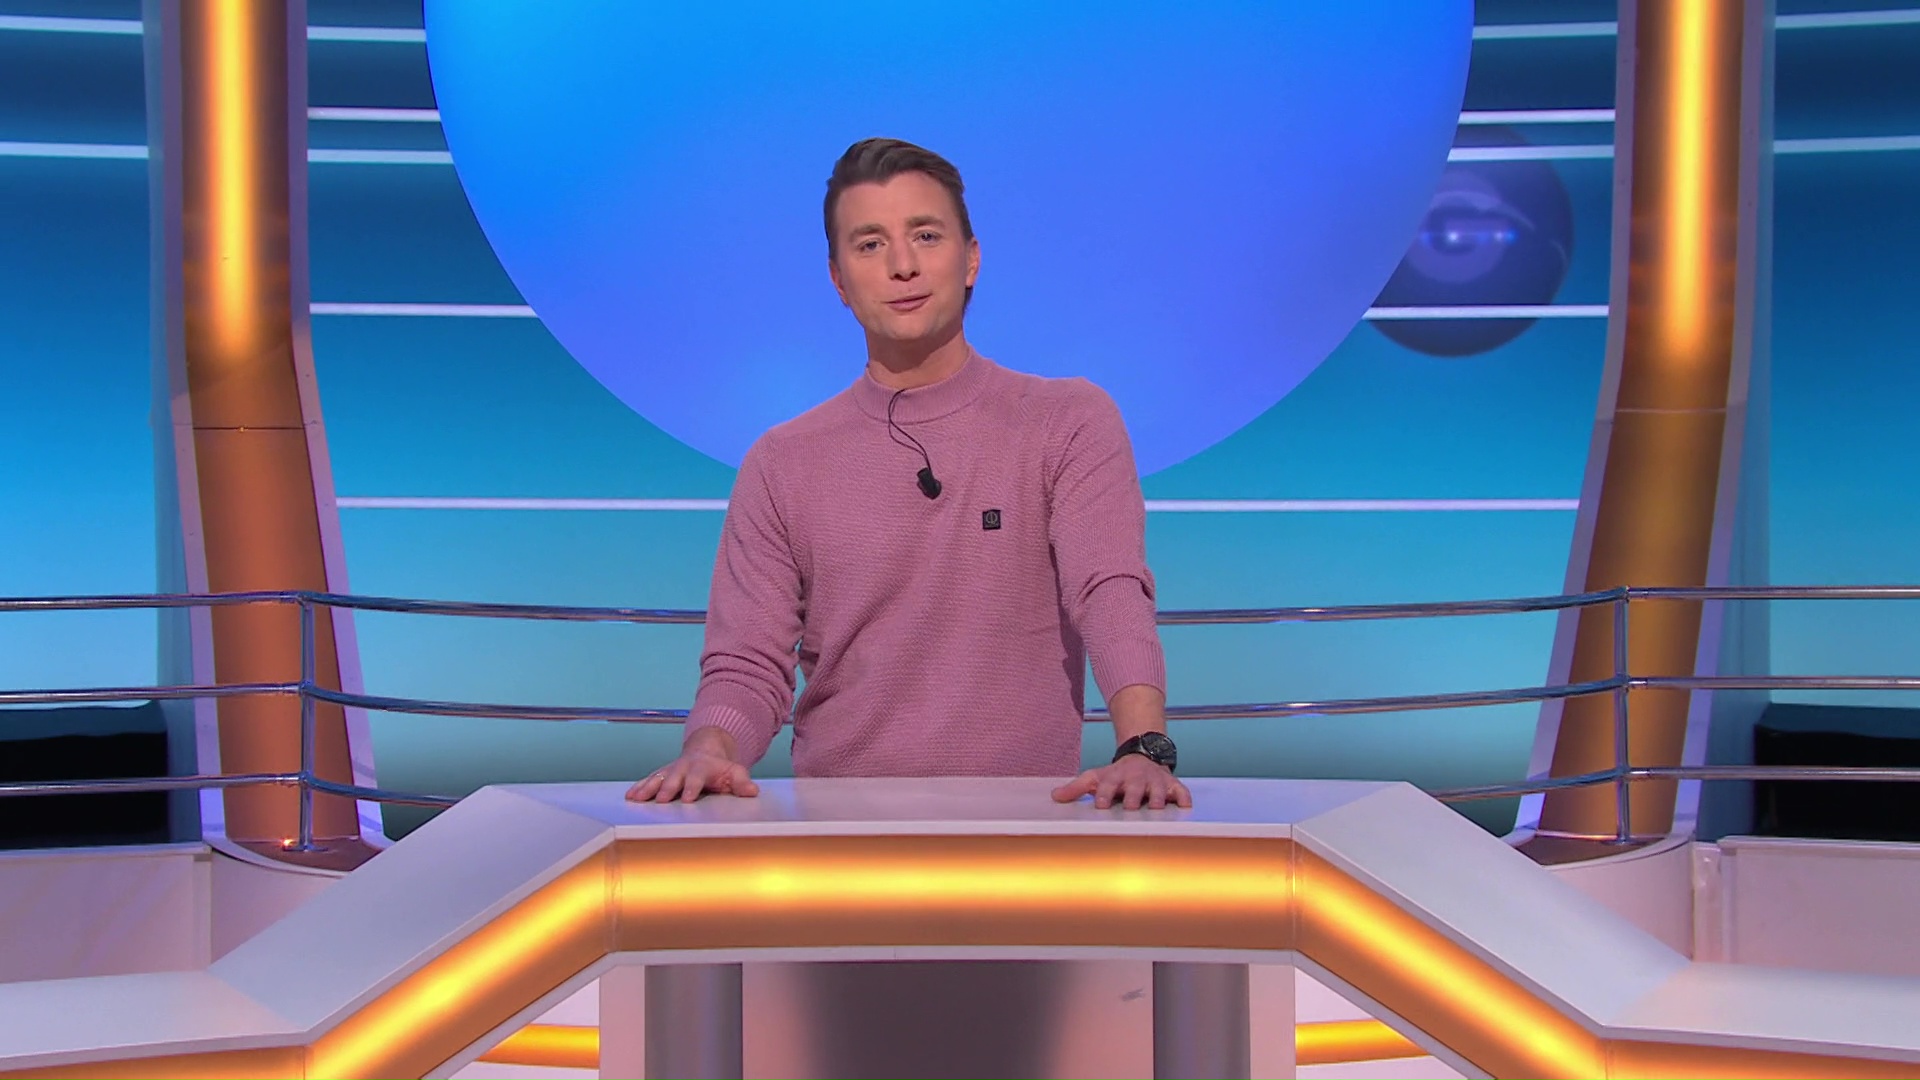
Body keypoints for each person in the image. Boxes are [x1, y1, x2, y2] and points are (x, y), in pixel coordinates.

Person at [627, 137, 1188, 811]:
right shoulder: (782, 462)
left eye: (925, 235)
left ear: (971, 258)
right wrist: (710, 750)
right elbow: (746, 663)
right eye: (870, 244)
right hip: (841, 839)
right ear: (838, 280)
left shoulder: (1067, 421)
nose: (902, 266)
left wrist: (1143, 746)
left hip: (1028, 832)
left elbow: (1109, 589)